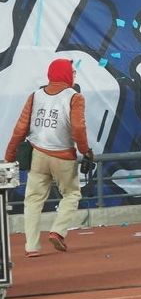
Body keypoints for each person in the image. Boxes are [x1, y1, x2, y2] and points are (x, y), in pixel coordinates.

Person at [4, 59, 92, 257]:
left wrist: (9, 156)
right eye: (72, 72)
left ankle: (31, 246)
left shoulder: (35, 96)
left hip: (38, 154)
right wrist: (85, 151)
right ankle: (58, 231)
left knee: (33, 200)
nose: (74, 75)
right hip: (63, 156)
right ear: (65, 74)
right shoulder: (75, 97)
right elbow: (78, 128)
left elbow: (20, 129)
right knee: (71, 194)